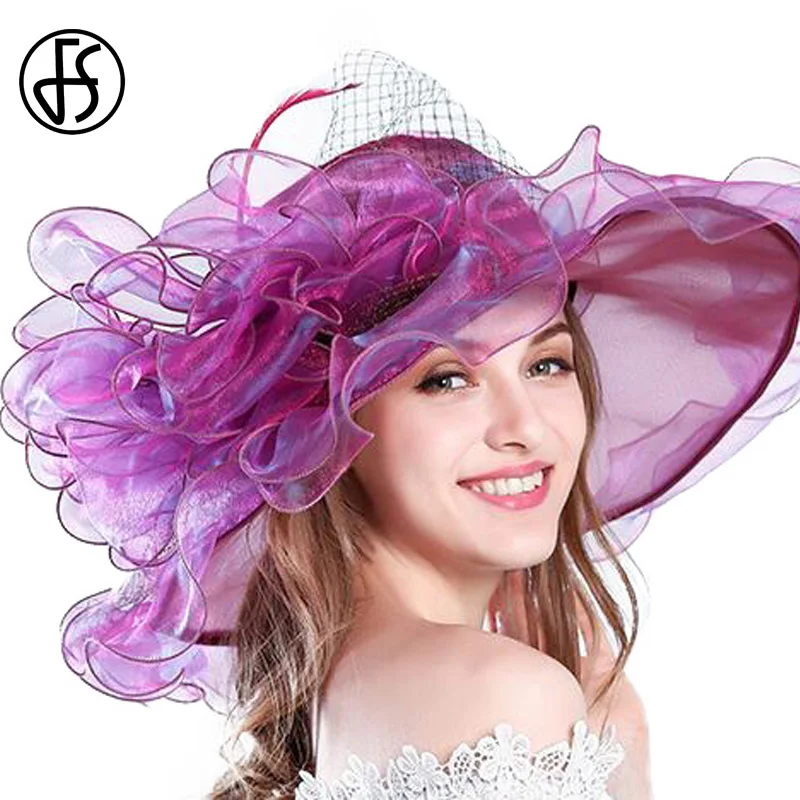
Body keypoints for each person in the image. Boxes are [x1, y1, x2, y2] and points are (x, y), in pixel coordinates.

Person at [3, 47, 800, 799]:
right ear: (330, 430)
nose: (525, 426)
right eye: (447, 379)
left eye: (547, 364)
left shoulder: (354, 694)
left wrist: (619, 733)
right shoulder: (502, 697)